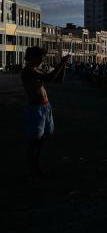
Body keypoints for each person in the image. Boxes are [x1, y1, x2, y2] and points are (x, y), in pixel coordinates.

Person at [21, 47, 70, 176]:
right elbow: (49, 78)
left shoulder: (37, 69)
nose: (41, 61)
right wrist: (61, 63)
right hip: (35, 109)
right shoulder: (28, 71)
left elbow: (58, 80)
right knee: (35, 140)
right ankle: (33, 167)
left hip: (45, 107)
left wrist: (63, 65)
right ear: (31, 57)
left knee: (41, 139)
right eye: (39, 59)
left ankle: (35, 165)